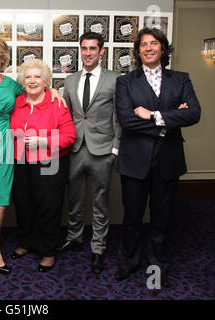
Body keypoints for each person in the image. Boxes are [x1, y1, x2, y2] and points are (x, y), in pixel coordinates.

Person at [0, 36, 65, 275]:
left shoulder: (11, 83)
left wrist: (54, 91)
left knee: (12, 198)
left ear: (2, 59)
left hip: (11, 143)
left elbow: (34, 88)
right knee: (0, 201)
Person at [114, 28, 201, 287]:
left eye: (154, 43)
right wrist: (173, 116)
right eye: (143, 45)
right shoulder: (125, 82)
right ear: (138, 51)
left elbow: (194, 114)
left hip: (168, 160)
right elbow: (127, 120)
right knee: (131, 218)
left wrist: (153, 115)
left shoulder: (181, 79)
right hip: (134, 161)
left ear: (163, 49)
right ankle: (128, 262)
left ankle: (158, 267)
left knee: (162, 219)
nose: (149, 48)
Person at [60, 32, 121, 275]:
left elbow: (119, 116)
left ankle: (98, 248)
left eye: (92, 49)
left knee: (100, 202)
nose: (87, 53)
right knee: (74, 199)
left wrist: (115, 148)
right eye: (84, 48)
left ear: (101, 51)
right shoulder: (70, 80)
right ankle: (74, 237)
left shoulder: (115, 79)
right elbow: (65, 115)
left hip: (103, 150)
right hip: (75, 148)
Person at [10, 59, 76, 272]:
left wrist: (43, 141)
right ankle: (28, 242)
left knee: (48, 207)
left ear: (46, 81)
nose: (32, 80)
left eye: (37, 76)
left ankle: (48, 251)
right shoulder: (16, 102)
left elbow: (70, 136)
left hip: (50, 162)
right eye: (28, 77)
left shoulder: (57, 103)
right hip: (21, 161)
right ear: (22, 81)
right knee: (23, 204)